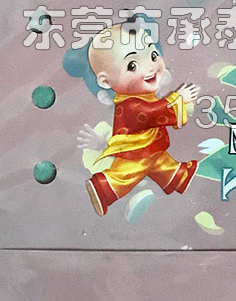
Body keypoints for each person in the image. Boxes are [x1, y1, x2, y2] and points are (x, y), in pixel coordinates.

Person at [84, 20, 199, 216]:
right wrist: (178, 99)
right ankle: (104, 188)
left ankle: (179, 176)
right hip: (137, 150)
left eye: (153, 56)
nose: (150, 68)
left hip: (150, 146)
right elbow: (151, 114)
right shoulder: (130, 104)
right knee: (128, 173)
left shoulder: (143, 95)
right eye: (132, 65)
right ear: (105, 81)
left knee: (160, 163)